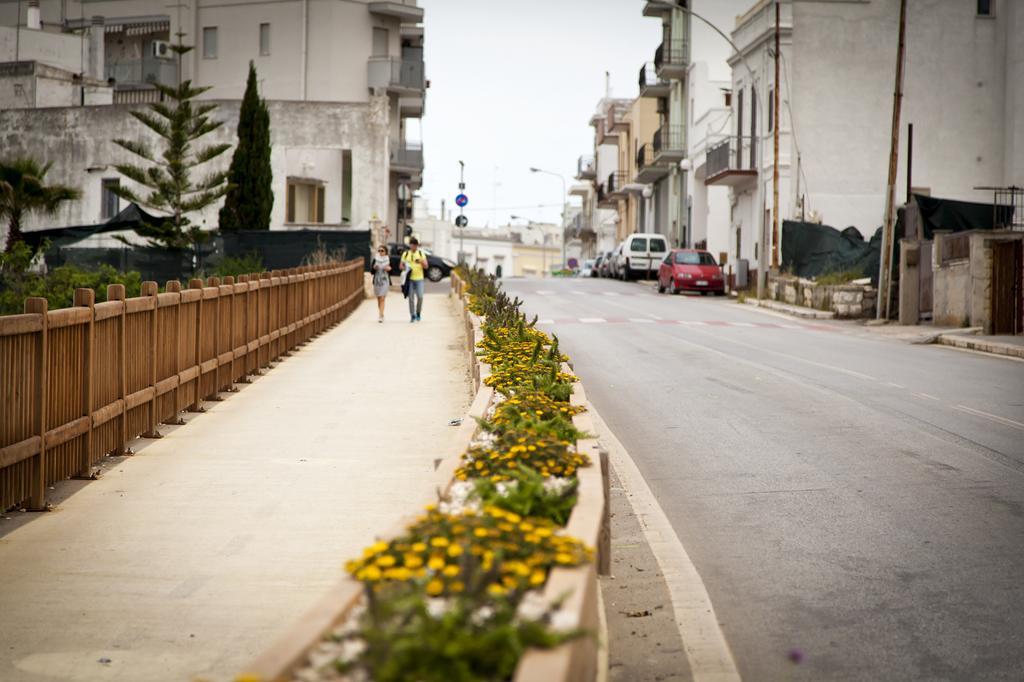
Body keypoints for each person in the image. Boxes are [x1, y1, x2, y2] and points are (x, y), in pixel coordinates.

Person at [400, 237, 429, 322]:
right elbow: (400, 266)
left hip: (419, 278)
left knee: (420, 297)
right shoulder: (405, 254)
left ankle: (418, 312)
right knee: (411, 298)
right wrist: (405, 267)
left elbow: (426, 266)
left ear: (417, 246)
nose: (413, 247)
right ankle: (412, 315)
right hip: (410, 279)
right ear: (410, 245)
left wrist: (421, 261)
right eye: (412, 245)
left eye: (415, 245)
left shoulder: (420, 253)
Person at [371, 245, 391, 322]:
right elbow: (371, 271)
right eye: (379, 250)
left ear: (385, 252)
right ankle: (381, 313)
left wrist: (389, 269)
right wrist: (374, 268)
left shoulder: (388, 259)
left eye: (382, 251)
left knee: (382, 297)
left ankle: (380, 316)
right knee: (379, 298)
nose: (380, 252)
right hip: (377, 280)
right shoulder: (375, 259)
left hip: (385, 280)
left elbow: (392, 271)